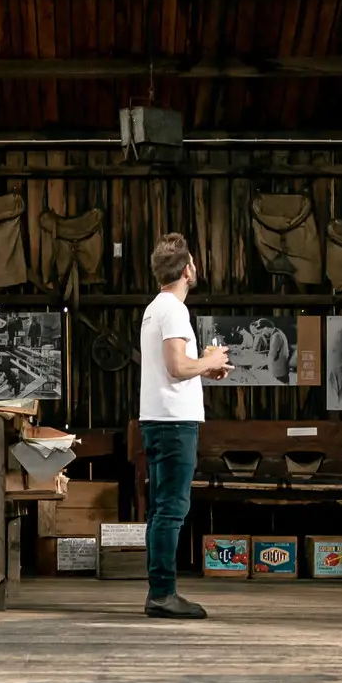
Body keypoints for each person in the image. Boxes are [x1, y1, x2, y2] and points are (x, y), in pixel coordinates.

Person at [137, 233, 229, 619]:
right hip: (174, 424)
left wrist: (206, 368)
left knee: (161, 510)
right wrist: (211, 360)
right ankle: (163, 594)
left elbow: (173, 369)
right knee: (172, 510)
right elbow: (177, 367)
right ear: (188, 269)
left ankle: (158, 590)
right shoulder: (174, 311)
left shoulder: (154, 309)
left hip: (158, 419)